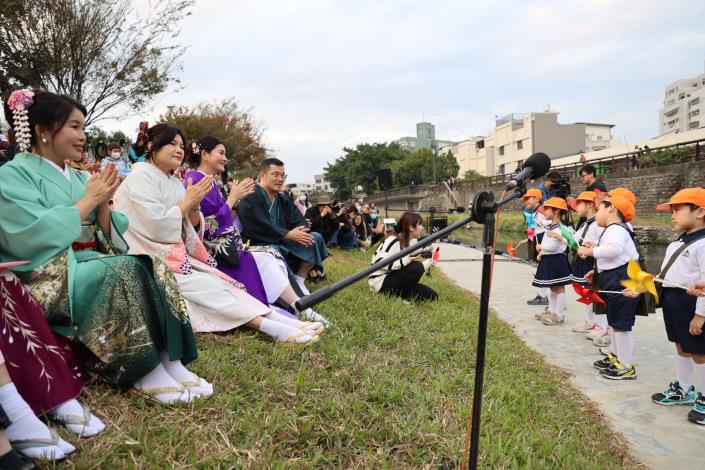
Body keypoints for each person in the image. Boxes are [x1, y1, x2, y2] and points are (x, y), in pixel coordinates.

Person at [0, 88, 207, 405]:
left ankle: (170, 359)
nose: (83, 136)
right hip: (44, 275)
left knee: (149, 264)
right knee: (118, 271)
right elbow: (25, 236)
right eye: (74, 126)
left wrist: (103, 208)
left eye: (84, 127)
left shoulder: (80, 177)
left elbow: (109, 231)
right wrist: (88, 202)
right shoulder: (11, 175)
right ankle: (142, 370)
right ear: (42, 131)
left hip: (85, 261)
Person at [113, 125, 322, 347]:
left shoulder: (175, 181)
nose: (179, 150)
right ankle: (274, 325)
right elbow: (158, 226)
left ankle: (281, 316)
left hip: (182, 250)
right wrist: (199, 203)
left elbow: (193, 224)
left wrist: (193, 209)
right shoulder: (141, 178)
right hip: (151, 255)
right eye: (172, 144)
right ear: (152, 146)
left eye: (181, 146)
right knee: (211, 286)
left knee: (227, 282)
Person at [182, 136, 329, 327]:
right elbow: (203, 225)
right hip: (211, 252)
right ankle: (297, 306)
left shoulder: (212, 183)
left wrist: (232, 201)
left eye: (282, 175)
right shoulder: (194, 180)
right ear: (204, 155)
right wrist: (233, 199)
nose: (226, 158)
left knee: (275, 255)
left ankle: (299, 304)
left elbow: (226, 219)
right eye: (221, 152)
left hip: (230, 244)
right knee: (267, 255)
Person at [645, 189, 705, 425]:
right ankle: (684, 388)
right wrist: (642, 287)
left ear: (700, 211)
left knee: (700, 352)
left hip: (693, 302)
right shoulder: (678, 242)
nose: (672, 215)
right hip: (673, 300)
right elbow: (664, 274)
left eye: (677, 209)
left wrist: (700, 315)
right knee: (681, 346)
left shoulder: (703, 244)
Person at [238, 158, 329, 294]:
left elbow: (299, 219)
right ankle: (282, 286)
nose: (280, 179)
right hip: (259, 243)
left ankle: (299, 279)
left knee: (314, 238)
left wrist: (300, 230)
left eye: (283, 175)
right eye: (275, 174)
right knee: (274, 250)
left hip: (283, 239)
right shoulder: (250, 196)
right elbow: (257, 225)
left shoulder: (282, 198)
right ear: (262, 175)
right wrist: (288, 234)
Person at [578, 195, 640, 380]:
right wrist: (596, 270)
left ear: (611, 208)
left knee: (621, 324)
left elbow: (614, 250)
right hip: (613, 276)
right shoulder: (613, 230)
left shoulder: (616, 228)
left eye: (599, 210)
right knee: (614, 322)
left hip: (623, 278)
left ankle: (626, 366)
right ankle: (615, 357)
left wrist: (589, 251)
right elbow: (612, 255)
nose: (596, 214)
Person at [368, 212, 438, 301]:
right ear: (411, 227)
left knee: (433, 296)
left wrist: (428, 257)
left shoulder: (406, 241)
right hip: (380, 284)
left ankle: (401, 292)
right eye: (420, 224)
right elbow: (379, 263)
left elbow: (412, 251)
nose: (422, 227)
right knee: (417, 266)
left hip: (393, 279)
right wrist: (406, 261)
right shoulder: (394, 241)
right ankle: (402, 298)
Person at [568, 192, 607, 338]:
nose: (576, 207)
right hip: (583, 259)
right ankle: (590, 321)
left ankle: (601, 326)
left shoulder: (598, 225)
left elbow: (603, 243)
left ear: (590, 204)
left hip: (593, 261)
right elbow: (576, 240)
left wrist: (590, 251)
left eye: (579, 203)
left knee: (596, 293)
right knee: (586, 292)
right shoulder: (585, 223)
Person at [531, 198, 572, 325]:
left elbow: (553, 246)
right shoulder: (550, 225)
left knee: (559, 287)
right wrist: (541, 253)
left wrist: (541, 248)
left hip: (556, 260)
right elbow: (541, 223)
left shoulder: (559, 229)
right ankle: (552, 311)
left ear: (556, 211)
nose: (544, 211)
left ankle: (559, 315)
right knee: (552, 287)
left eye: (547, 209)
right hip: (548, 259)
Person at [520, 189, 549, 306]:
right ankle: (541, 295)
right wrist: (528, 237)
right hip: (538, 239)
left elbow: (550, 224)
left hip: (544, 239)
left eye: (529, 198)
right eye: (525, 199)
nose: (526, 200)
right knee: (539, 268)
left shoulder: (542, 210)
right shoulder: (534, 212)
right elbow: (535, 228)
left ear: (537, 199)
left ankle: (545, 297)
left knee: (544, 269)